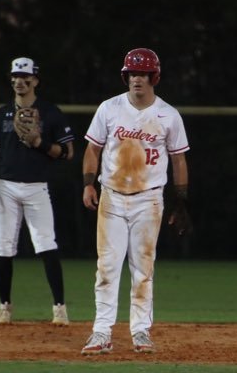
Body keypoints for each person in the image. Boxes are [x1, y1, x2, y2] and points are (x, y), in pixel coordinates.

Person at [81, 48, 191, 354]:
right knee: (107, 267)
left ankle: (140, 331)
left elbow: (179, 159)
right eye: (131, 73)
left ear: (153, 77)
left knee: (143, 268)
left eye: (142, 74)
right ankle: (101, 333)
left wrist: (181, 200)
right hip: (111, 197)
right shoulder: (110, 108)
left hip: (149, 200)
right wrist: (89, 184)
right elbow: (92, 150)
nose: (136, 79)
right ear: (125, 76)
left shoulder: (168, 114)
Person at [0, 57, 74, 325]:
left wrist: (39, 143)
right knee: (4, 246)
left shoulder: (51, 112)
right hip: (6, 187)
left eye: (26, 77)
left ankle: (60, 309)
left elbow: (67, 153)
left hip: (37, 187)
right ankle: (4, 308)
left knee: (47, 244)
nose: (20, 82)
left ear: (35, 80)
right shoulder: (1, 114)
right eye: (16, 77)